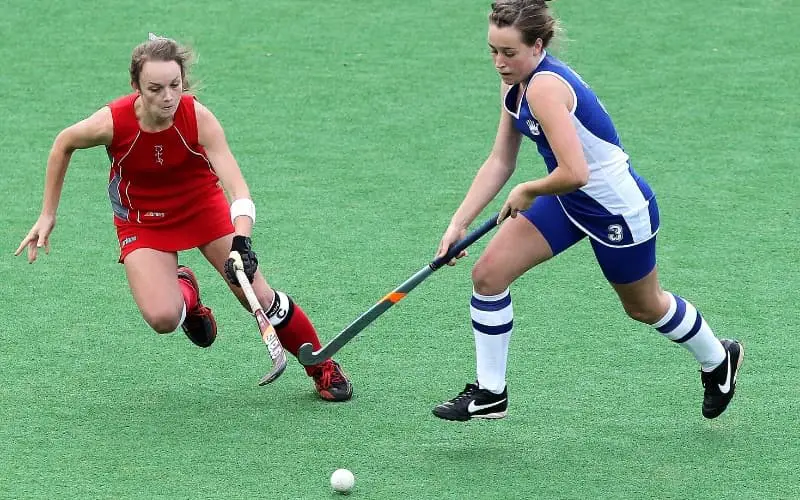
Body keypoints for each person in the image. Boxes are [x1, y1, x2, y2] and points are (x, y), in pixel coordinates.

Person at [431, 0, 742, 421]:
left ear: (537, 46)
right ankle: (491, 393)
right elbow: (500, 161)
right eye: (493, 51)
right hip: (568, 202)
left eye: (509, 53)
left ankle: (718, 358)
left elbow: (575, 171)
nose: (500, 63)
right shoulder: (514, 87)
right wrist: (457, 224)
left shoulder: (545, 88)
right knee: (488, 275)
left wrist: (529, 189)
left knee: (644, 307)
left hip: (617, 212)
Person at [14, 34, 353, 402]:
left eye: (175, 86)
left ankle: (321, 365)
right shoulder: (112, 122)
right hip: (143, 219)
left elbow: (238, 189)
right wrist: (48, 214)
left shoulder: (198, 118)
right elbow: (63, 143)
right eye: (155, 88)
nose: (168, 97)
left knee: (258, 296)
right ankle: (187, 297)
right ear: (136, 87)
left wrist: (242, 239)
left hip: (201, 208)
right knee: (163, 318)